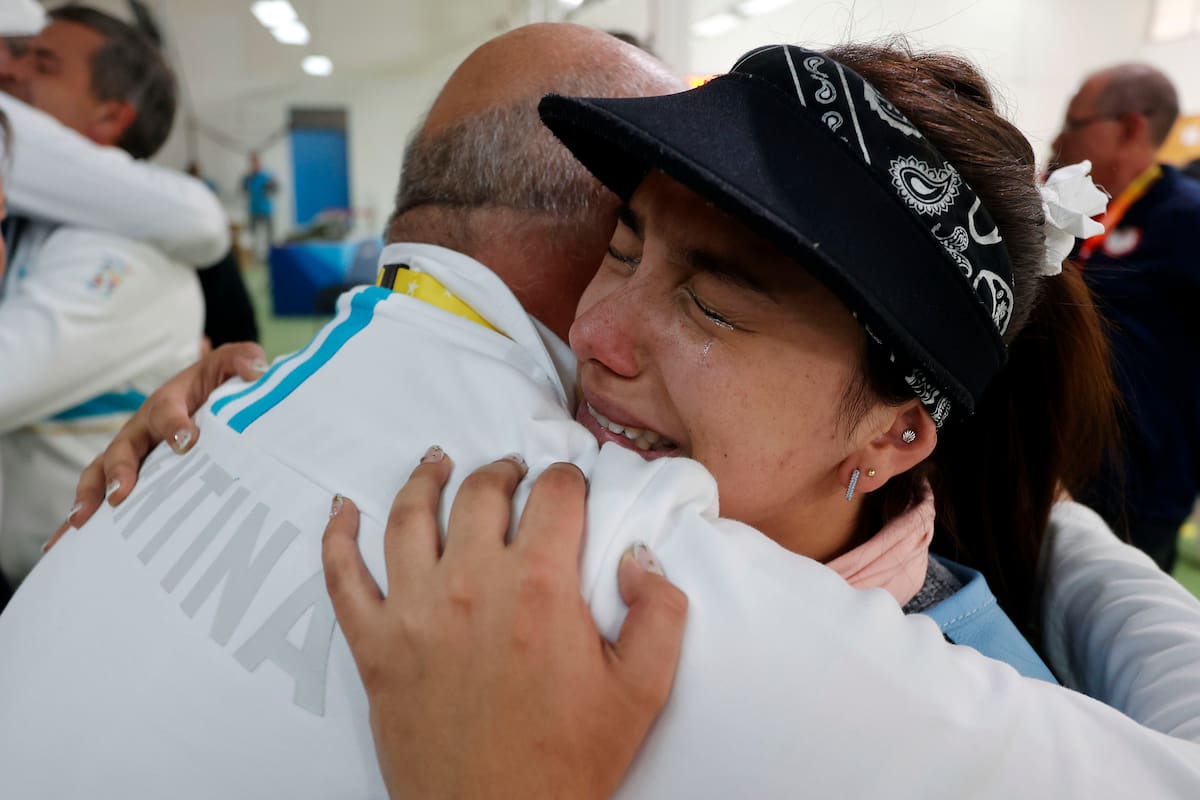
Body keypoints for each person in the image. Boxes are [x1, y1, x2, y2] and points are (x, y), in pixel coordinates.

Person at [28, 29, 1200, 797]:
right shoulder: (544, 459)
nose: (595, 333)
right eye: (622, 246)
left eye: (718, 307)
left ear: (895, 433)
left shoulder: (954, 704)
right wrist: (242, 395)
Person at [0, 4, 204, 588]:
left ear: (111, 116)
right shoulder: (43, 229)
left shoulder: (126, 260)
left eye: (41, 63)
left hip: (81, 587)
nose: (13, 73)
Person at [1051, 63, 1200, 572]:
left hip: (1139, 487)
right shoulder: (1070, 213)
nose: (1059, 138)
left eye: (1074, 124)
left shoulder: (1187, 220)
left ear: (1131, 127)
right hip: (1056, 459)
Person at [241, 150, 277, 261]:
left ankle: (272, 256)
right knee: (253, 235)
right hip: (253, 210)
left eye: (256, 161)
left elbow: (275, 189)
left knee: (269, 236)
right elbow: (243, 190)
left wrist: (270, 187)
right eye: (253, 162)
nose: (254, 164)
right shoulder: (248, 178)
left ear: (259, 162)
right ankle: (255, 257)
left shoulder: (267, 176)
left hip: (266, 209)